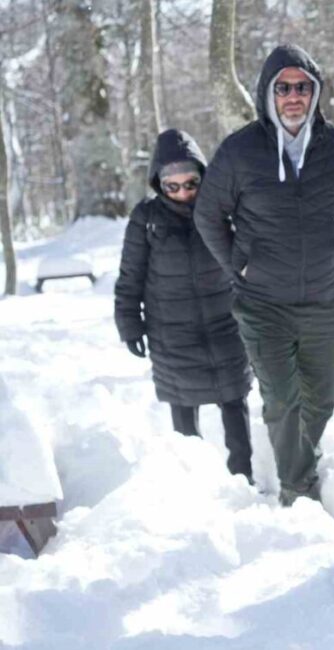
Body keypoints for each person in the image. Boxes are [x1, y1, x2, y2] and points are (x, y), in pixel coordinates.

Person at [194, 44, 334, 507]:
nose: (294, 96)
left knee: (321, 400)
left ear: (315, 93)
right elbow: (208, 214)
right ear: (268, 93)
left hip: (330, 302)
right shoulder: (239, 151)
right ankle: (298, 490)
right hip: (263, 304)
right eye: (284, 87)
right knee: (281, 400)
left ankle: (298, 462)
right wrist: (238, 264)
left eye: (302, 87)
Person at [115, 128, 254, 481]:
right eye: (172, 187)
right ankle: (195, 483)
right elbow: (130, 278)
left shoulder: (222, 210)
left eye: (190, 184)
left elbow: (249, 260)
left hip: (225, 324)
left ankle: (244, 476)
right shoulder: (145, 220)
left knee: (234, 400)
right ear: (159, 184)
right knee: (183, 406)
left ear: (202, 176)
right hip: (171, 332)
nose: (182, 193)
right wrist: (130, 325)